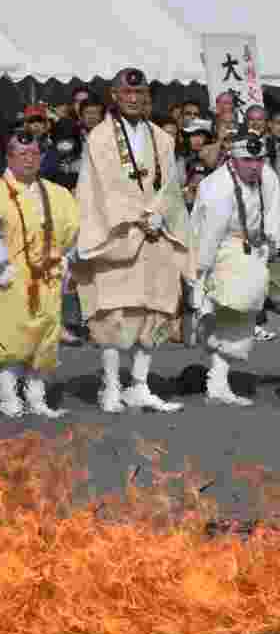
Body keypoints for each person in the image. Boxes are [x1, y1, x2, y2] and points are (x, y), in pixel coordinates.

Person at [73, 67, 191, 413]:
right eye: (127, 93)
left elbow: (170, 186)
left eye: (140, 94)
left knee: (153, 310)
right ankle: (110, 386)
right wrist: (140, 217)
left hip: (156, 235)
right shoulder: (100, 137)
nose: (135, 99)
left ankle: (139, 384)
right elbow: (102, 188)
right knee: (114, 311)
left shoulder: (163, 138)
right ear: (115, 96)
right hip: (118, 235)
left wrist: (159, 214)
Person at [0, 131, 80, 417]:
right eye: (22, 154)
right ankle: (8, 396)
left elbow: (70, 233)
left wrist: (65, 260)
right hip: (10, 278)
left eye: (34, 154)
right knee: (9, 340)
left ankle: (36, 398)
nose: (29, 159)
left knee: (43, 340)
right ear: (9, 157)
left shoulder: (56, 193)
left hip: (47, 277)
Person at [189, 134, 279, 404]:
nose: (253, 166)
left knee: (239, 319)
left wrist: (272, 242)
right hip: (221, 249)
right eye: (247, 160)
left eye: (258, 160)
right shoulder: (219, 186)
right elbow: (208, 233)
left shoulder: (267, 176)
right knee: (230, 312)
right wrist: (200, 272)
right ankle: (216, 382)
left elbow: (275, 210)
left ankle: (217, 381)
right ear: (232, 159)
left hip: (251, 249)